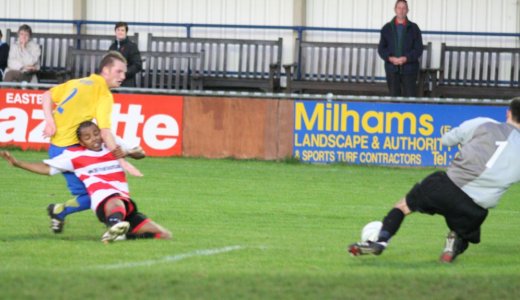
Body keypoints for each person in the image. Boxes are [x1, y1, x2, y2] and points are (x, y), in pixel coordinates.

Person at [348, 98, 520, 263]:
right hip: (476, 207)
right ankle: (451, 247)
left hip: (445, 187)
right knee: (464, 231)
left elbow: (446, 141)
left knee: (403, 206)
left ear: (508, 113)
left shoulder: (483, 123)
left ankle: (381, 241)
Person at [0, 121, 171, 243]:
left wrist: (134, 153)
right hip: (105, 202)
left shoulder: (112, 146)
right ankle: (115, 226)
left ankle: (119, 234)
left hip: (125, 205)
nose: (94, 139)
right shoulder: (74, 155)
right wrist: (17, 163)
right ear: (81, 142)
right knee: (114, 198)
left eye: (96, 133)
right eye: (88, 137)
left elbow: (141, 154)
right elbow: (47, 169)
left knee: (163, 234)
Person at [42, 50, 142, 234]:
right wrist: (121, 160)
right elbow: (104, 131)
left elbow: (47, 95)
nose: (123, 76)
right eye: (119, 71)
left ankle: (111, 220)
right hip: (67, 151)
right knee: (94, 195)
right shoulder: (103, 94)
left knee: (100, 191)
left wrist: (50, 122)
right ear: (106, 70)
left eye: (124, 72)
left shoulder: (79, 82)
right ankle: (59, 211)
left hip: (64, 147)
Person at [377, 0, 423, 97]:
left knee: (410, 97)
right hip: (391, 69)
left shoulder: (414, 28)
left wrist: (406, 58)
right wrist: (390, 58)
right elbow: (381, 49)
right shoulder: (387, 28)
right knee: (394, 97)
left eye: (404, 8)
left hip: (410, 69)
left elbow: (418, 49)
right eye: (399, 8)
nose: (401, 11)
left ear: (407, 10)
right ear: (395, 10)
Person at [109, 22, 142, 87]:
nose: (120, 32)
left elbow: (137, 65)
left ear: (126, 32)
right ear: (115, 32)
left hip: (127, 82)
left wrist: (124, 73)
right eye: (118, 30)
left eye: (122, 30)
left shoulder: (132, 46)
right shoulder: (112, 47)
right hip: (113, 82)